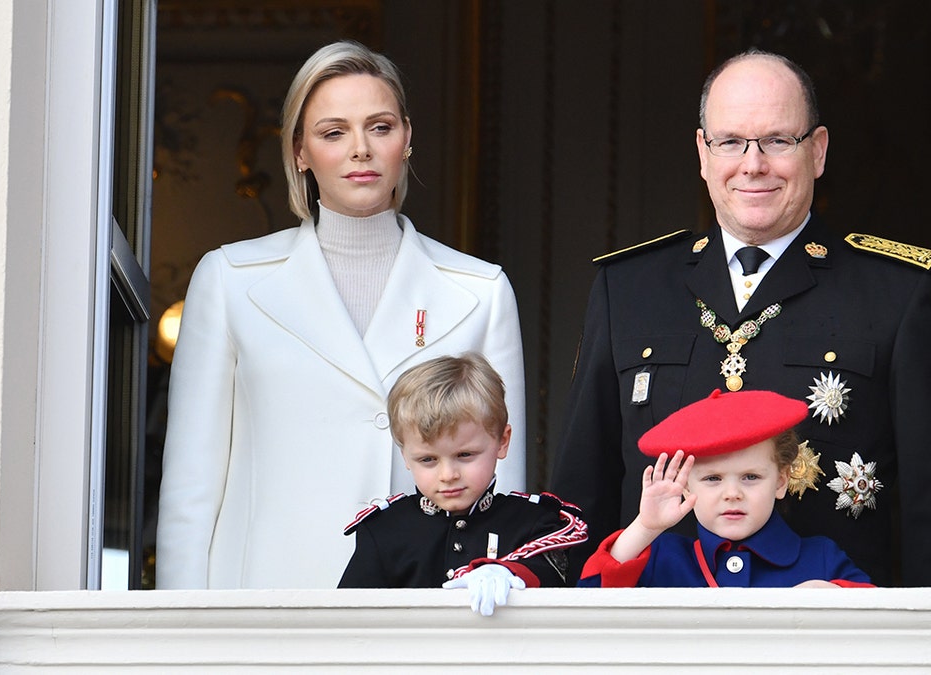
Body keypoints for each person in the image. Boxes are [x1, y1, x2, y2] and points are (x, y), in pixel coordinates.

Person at [551, 49, 931, 587]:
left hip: (833, 645)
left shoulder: (899, 292)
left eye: (778, 141)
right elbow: (580, 489)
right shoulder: (628, 288)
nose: (752, 164)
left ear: (817, 152)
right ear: (703, 153)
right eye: (730, 142)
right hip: (658, 640)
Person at [156, 41, 527, 589]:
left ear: (406, 139)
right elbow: (192, 484)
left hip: (424, 608)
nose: (360, 149)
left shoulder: (481, 290)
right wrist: (181, 635)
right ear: (300, 151)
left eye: (379, 127)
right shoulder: (230, 279)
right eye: (334, 132)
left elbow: (505, 486)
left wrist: (497, 590)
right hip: (266, 602)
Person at [338, 354, 587, 615]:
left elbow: (561, 589)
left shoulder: (536, 523)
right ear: (405, 457)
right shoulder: (384, 531)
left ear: (502, 441)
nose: (448, 474)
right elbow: (350, 622)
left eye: (464, 455)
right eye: (428, 459)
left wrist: (510, 572)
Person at [580, 390, 871, 588]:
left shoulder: (820, 557)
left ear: (781, 481)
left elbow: (877, 624)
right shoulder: (661, 557)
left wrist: (831, 596)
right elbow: (590, 599)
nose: (732, 493)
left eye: (751, 477)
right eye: (712, 479)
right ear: (685, 486)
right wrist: (645, 527)